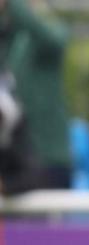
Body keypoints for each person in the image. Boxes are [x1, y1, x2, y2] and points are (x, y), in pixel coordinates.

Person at [0, 0, 70, 188]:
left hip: (50, 160)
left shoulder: (54, 31)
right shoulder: (13, 39)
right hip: (18, 162)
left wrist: (11, 4)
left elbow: (41, 33)